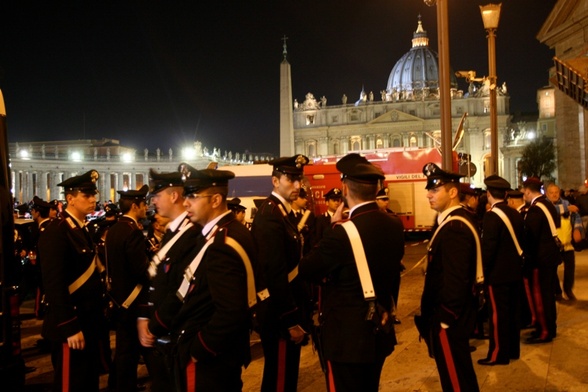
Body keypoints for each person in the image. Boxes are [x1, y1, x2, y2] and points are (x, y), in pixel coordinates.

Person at [299, 154, 404, 392]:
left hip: (346, 339)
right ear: (377, 189)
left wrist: (333, 228)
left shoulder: (341, 233)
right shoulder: (394, 225)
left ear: (344, 188)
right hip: (379, 329)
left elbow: (308, 269)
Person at [170, 165, 258, 391]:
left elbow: (230, 310)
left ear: (216, 200)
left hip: (211, 359)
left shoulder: (221, 242)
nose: (186, 202)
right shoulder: (228, 231)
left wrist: (199, 349)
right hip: (225, 353)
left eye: (193, 196)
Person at [38, 170, 106, 391]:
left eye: (93, 195)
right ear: (70, 198)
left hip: (88, 322)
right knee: (71, 383)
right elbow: (54, 283)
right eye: (86, 195)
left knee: (87, 381)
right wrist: (69, 326)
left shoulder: (82, 229)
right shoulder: (56, 231)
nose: (93, 199)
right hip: (72, 324)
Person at [251, 154, 311, 392]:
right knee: (280, 380)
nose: (297, 186)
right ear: (275, 181)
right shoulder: (270, 216)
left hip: (286, 309)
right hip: (279, 315)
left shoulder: (282, 213)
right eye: (290, 179)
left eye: (299, 180)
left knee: (285, 376)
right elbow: (273, 273)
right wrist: (290, 320)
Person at [137, 168, 200, 391]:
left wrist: (155, 325)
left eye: (157, 195)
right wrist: (144, 315)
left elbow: (182, 288)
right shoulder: (174, 231)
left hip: (177, 331)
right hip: (165, 331)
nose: (153, 201)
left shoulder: (192, 232)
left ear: (174, 196)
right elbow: (156, 279)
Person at [418, 162, 480, 392]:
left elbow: (457, 279)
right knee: (459, 374)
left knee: (456, 381)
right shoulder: (455, 221)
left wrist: (445, 319)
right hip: (452, 318)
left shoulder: (455, 227)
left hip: (450, 321)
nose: (428, 194)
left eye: (435, 190)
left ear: (453, 192)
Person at [105, 185, 151, 391]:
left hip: (118, 298)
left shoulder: (114, 229)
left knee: (124, 350)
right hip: (133, 301)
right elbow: (141, 270)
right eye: (144, 204)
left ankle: (116, 385)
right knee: (129, 353)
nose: (147, 207)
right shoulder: (132, 232)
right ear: (135, 206)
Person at [478, 175, 525, 366]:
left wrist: (482, 273)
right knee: (513, 314)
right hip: (515, 272)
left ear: (489, 194)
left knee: (497, 316)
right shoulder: (515, 213)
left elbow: (488, 249)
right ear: (506, 194)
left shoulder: (491, 216)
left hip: (497, 276)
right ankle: (513, 350)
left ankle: (498, 354)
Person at [522, 177, 560, 344]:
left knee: (541, 296)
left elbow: (530, 237)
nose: (523, 196)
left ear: (529, 192)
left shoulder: (535, 210)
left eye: (524, 193)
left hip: (540, 260)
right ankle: (550, 327)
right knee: (548, 296)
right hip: (549, 257)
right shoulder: (548, 205)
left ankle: (544, 331)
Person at [546, 182, 582, 301]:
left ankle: (568, 290)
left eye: (556, 192)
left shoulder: (566, 203)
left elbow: (575, 216)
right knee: (552, 270)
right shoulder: (545, 205)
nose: (554, 195)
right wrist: (567, 208)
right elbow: (551, 210)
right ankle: (557, 292)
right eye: (551, 193)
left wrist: (577, 229)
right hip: (553, 244)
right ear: (547, 194)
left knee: (570, 268)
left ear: (560, 193)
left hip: (567, 243)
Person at [375, 187, 404, 324]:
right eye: (383, 199)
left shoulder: (392, 216)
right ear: (376, 201)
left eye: (387, 199)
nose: (386, 202)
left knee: (394, 289)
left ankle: (393, 313)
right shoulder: (373, 217)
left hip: (393, 262)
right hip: (380, 262)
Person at [289, 187, 315, 255]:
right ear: (294, 199)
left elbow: (313, 239)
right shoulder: (286, 215)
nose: (306, 200)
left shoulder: (309, 215)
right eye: (302, 197)